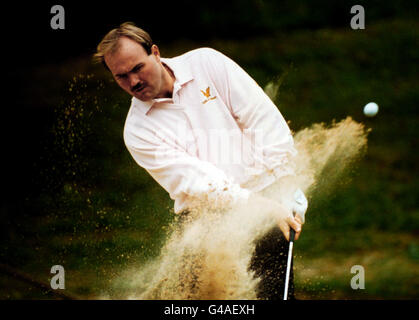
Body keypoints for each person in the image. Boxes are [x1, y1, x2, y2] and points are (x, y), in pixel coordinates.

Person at [93, 22, 308, 299]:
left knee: (274, 294)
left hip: (264, 194)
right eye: (121, 76)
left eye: (137, 68)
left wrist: (286, 182)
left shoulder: (206, 63)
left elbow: (261, 118)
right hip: (204, 220)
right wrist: (263, 207)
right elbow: (199, 183)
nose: (133, 81)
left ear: (155, 53)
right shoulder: (137, 132)